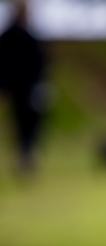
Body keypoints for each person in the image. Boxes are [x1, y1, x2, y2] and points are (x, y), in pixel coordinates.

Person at [0, 1, 49, 174]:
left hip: (24, 90)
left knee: (26, 125)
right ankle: (24, 158)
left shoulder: (14, 36)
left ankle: (25, 157)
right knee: (25, 126)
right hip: (23, 90)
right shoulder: (21, 37)